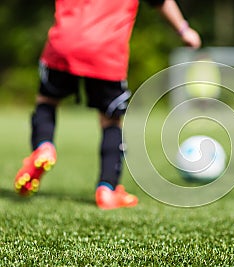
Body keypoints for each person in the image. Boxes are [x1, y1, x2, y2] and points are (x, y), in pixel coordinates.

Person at [14, 0, 201, 209]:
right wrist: (184, 30)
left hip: (63, 44)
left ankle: (43, 147)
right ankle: (107, 189)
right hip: (105, 52)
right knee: (111, 120)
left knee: (47, 102)